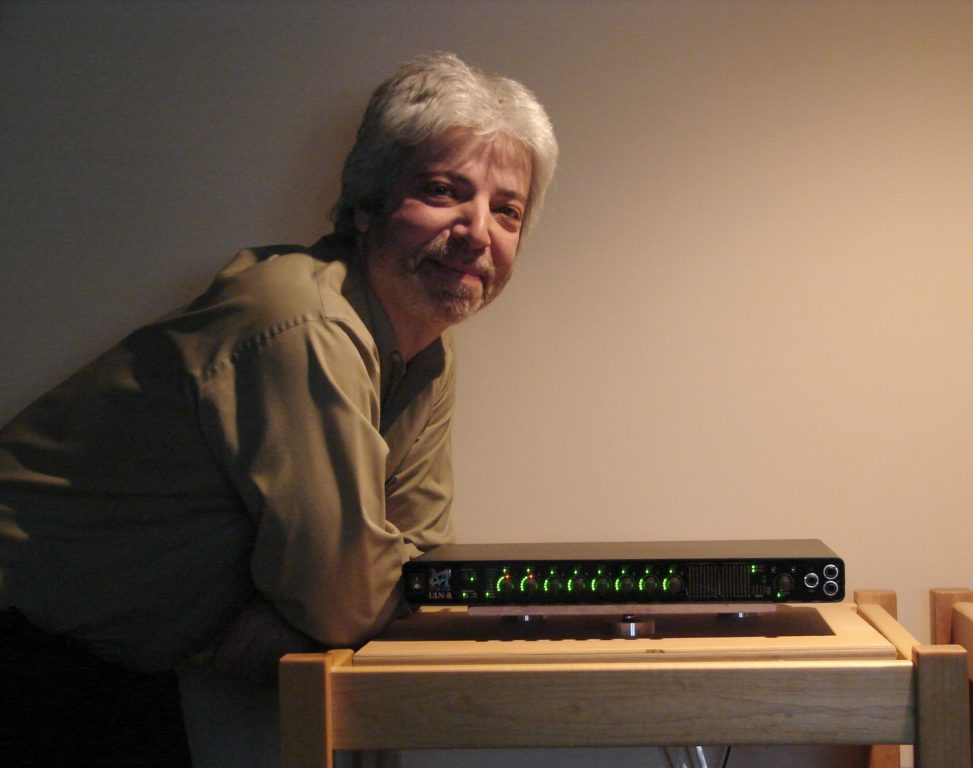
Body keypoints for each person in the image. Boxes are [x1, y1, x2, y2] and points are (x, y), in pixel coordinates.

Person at [0, 52, 557, 767]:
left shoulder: (425, 354)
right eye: (444, 191)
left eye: (507, 211)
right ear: (368, 205)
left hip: (106, 666)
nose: (478, 231)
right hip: (25, 648)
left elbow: (421, 563)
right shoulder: (303, 321)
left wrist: (315, 612)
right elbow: (343, 597)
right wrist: (324, 608)